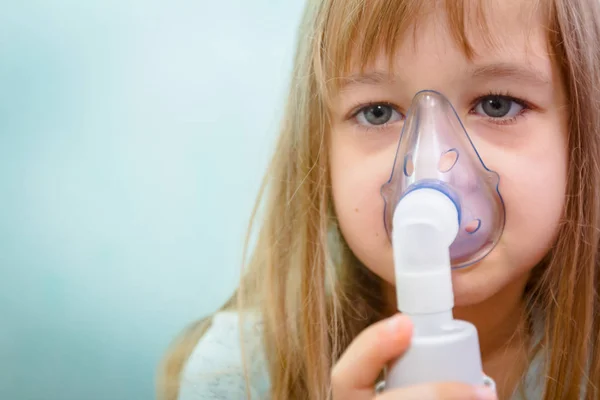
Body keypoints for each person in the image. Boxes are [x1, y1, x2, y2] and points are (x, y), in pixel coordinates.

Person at [157, 0, 600, 399]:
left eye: (497, 104)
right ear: (319, 152)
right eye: (379, 112)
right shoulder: (243, 375)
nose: (431, 170)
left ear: (581, 136)